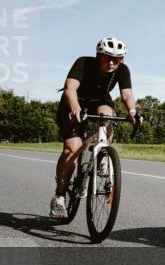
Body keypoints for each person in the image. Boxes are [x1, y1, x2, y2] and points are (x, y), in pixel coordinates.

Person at [50, 37, 139, 219]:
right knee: (72, 149)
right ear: (99, 56)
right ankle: (59, 196)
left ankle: (103, 153)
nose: (112, 62)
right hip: (74, 103)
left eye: (118, 59)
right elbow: (70, 88)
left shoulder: (122, 70)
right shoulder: (84, 62)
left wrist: (132, 111)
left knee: (108, 115)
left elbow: (126, 94)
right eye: (107, 58)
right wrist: (75, 110)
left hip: (99, 100)